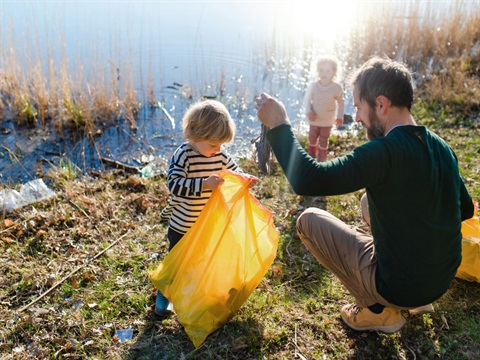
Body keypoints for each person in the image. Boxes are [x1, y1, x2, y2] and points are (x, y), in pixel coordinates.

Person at [255, 56, 474, 333]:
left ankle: (377, 311)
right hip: (440, 280)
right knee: (368, 202)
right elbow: (465, 210)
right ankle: (417, 297)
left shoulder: (383, 152)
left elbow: (309, 179)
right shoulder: (442, 147)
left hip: (401, 287)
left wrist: (280, 125)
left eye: (359, 107)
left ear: (381, 104)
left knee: (308, 220)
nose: (356, 117)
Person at [155, 99, 258, 316]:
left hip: (206, 224)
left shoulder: (218, 155)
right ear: (196, 135)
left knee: (200, 260)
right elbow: (174, 185)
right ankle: (164, 294)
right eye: (214, 145)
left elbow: (232, 169)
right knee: (176, 260)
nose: (218, 150)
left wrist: (243, 177)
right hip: (183, 225)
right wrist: (204, 184)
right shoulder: (184, 155)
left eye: (221, 145)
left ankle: (195, 290)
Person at [302, 56, 345, 161]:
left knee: (324, 139)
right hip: (314, 119)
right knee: (312, 137)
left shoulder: (336, 88)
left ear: (334, 72)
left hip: (327, 120)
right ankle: (311, 157)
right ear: (317, 71)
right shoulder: (314, 86)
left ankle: (321, 161)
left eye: (327, 71)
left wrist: (339, 117)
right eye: (321, 70)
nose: (324, 73)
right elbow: (307, 99)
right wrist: (308, 111)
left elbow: (341, 102)